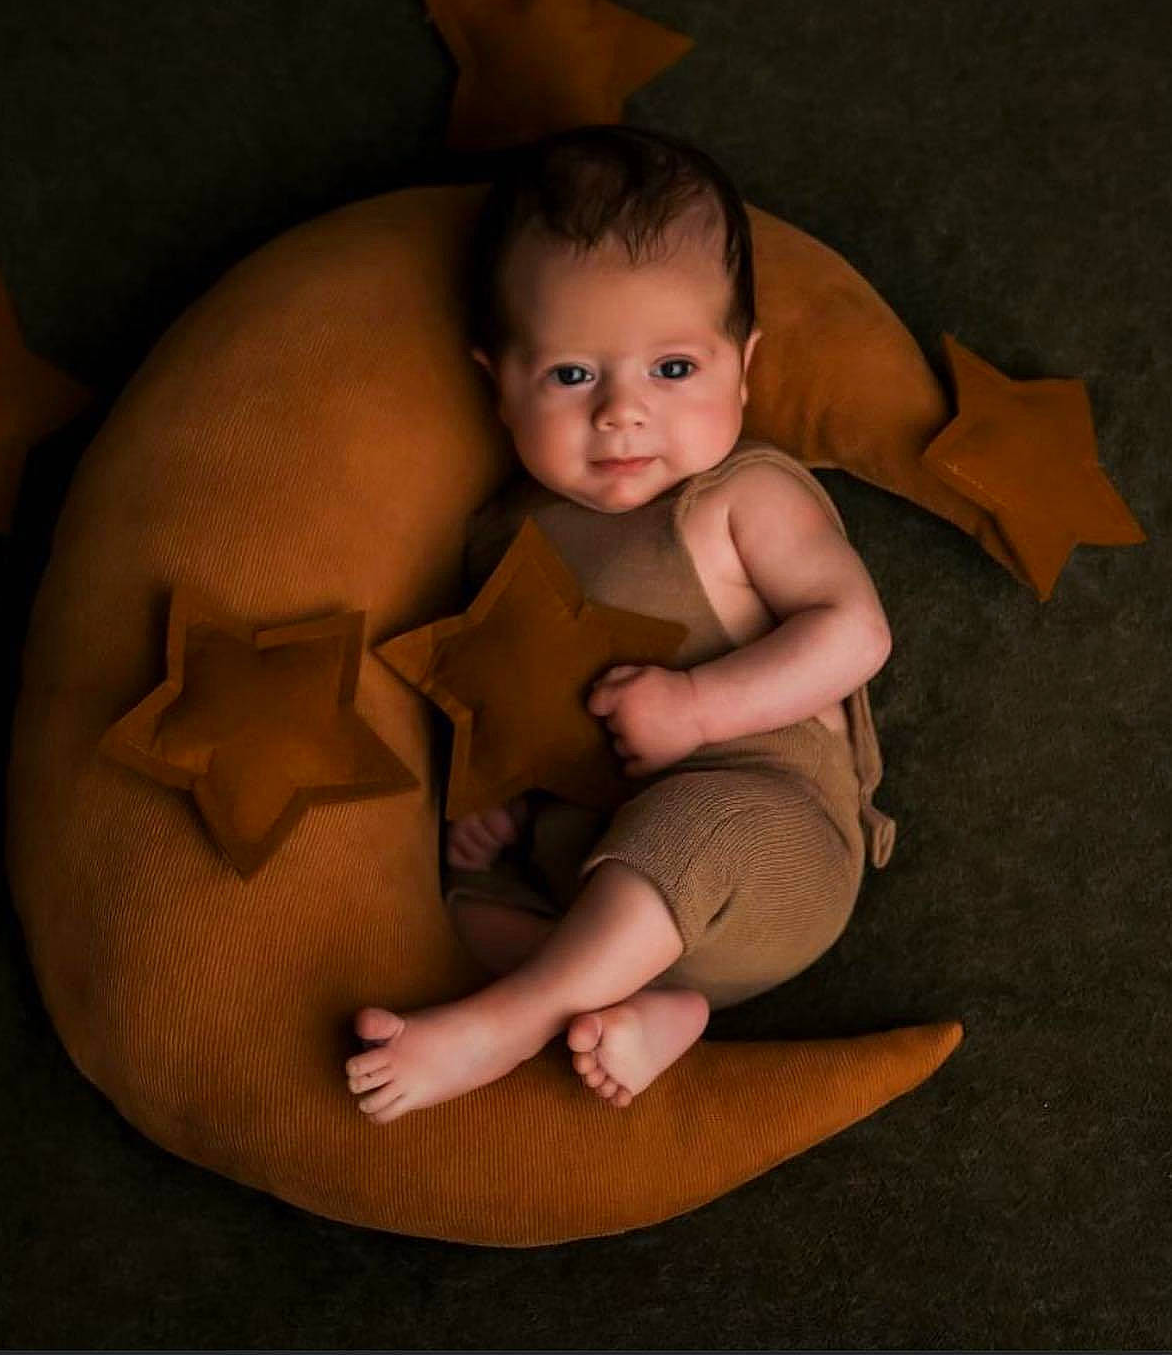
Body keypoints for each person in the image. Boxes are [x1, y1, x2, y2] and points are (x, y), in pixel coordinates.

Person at [344, 124, 896, 1125]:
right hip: (581, 883)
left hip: (767, 847)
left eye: (673, 370)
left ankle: (515, 1019)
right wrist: (493, 802)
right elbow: (508, 699)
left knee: (696, 825)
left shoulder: (740, 496)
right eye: (571, 376)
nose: (622, 416)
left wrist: (695, 707)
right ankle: (642, 1010)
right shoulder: (504, 538)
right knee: (455, 913)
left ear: (743, 366)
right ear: (497, 380)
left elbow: (854, 633)